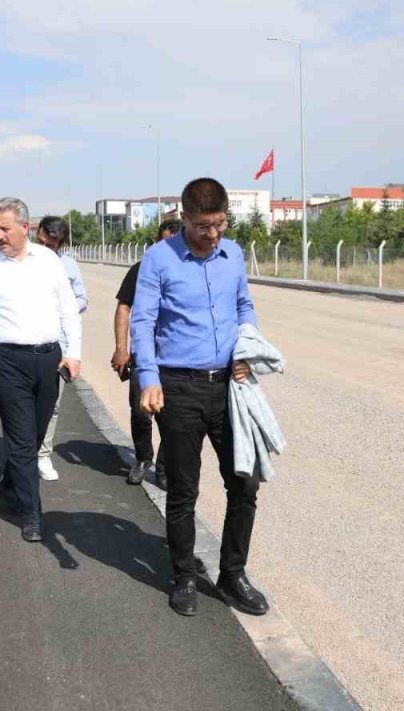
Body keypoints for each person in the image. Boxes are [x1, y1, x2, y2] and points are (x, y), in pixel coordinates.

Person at [131, 177, 270, 617]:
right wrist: (147, 378)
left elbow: (244, 305)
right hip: (179, 388)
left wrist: (249, 345)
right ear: (184, 218)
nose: (213, 235)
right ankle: (185, 576)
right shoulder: (159, 259)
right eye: (204, 226)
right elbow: (143, 321)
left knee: (244, 483)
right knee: (183, 490)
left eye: (220, 224)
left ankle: (232, 575)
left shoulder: (233, 255)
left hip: (231, 387)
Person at [0, 198, 82, 542]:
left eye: (4, 228)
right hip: (6, 360)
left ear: (24, 228)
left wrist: (73, 353)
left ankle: (10, 484)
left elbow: (68, 309)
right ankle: (32, 512)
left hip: (48, 359)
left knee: (36, 433)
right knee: (21, 437)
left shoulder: (49, 262)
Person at [111, 219, 180, 486]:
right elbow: (123, 308)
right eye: (162, 242)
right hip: (143, 353)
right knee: (141, 411)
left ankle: (163, 467)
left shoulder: (190, 271)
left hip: (175, 358)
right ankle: (142, 458)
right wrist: (121, 349)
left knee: (171, 416)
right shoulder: (141, 270)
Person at [34, 215, 88, 482]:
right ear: (36, 234)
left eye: (53, 245)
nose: (47, 248)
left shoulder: (68, 266)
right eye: (43, 242)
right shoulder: (21, 263)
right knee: (21, 406)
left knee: (52, 406)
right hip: (23, 347)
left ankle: (43, 455)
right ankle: (19, 457)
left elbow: (81, 299)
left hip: (59, 347)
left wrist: (61, 310)